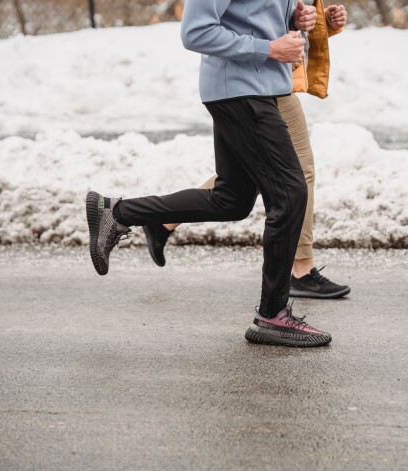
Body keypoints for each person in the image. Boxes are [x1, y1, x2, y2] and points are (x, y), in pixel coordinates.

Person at [86, 0, 332, 348]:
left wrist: (295, 17)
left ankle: (117, 212)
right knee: (290, 195)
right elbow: (196, 31)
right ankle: (272, 315)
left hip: (259, 89)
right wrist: (269, 48)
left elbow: (255, 15)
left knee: (230, 200)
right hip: (242, 91)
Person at [143, 1, 350, 300]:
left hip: (269, 79)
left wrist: (316, 22)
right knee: (294, 174)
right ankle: (300, 270)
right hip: (250, 83)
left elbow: (264, 18)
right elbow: (202, 31)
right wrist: (271, 47)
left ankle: (159, 220)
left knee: (250, 177)